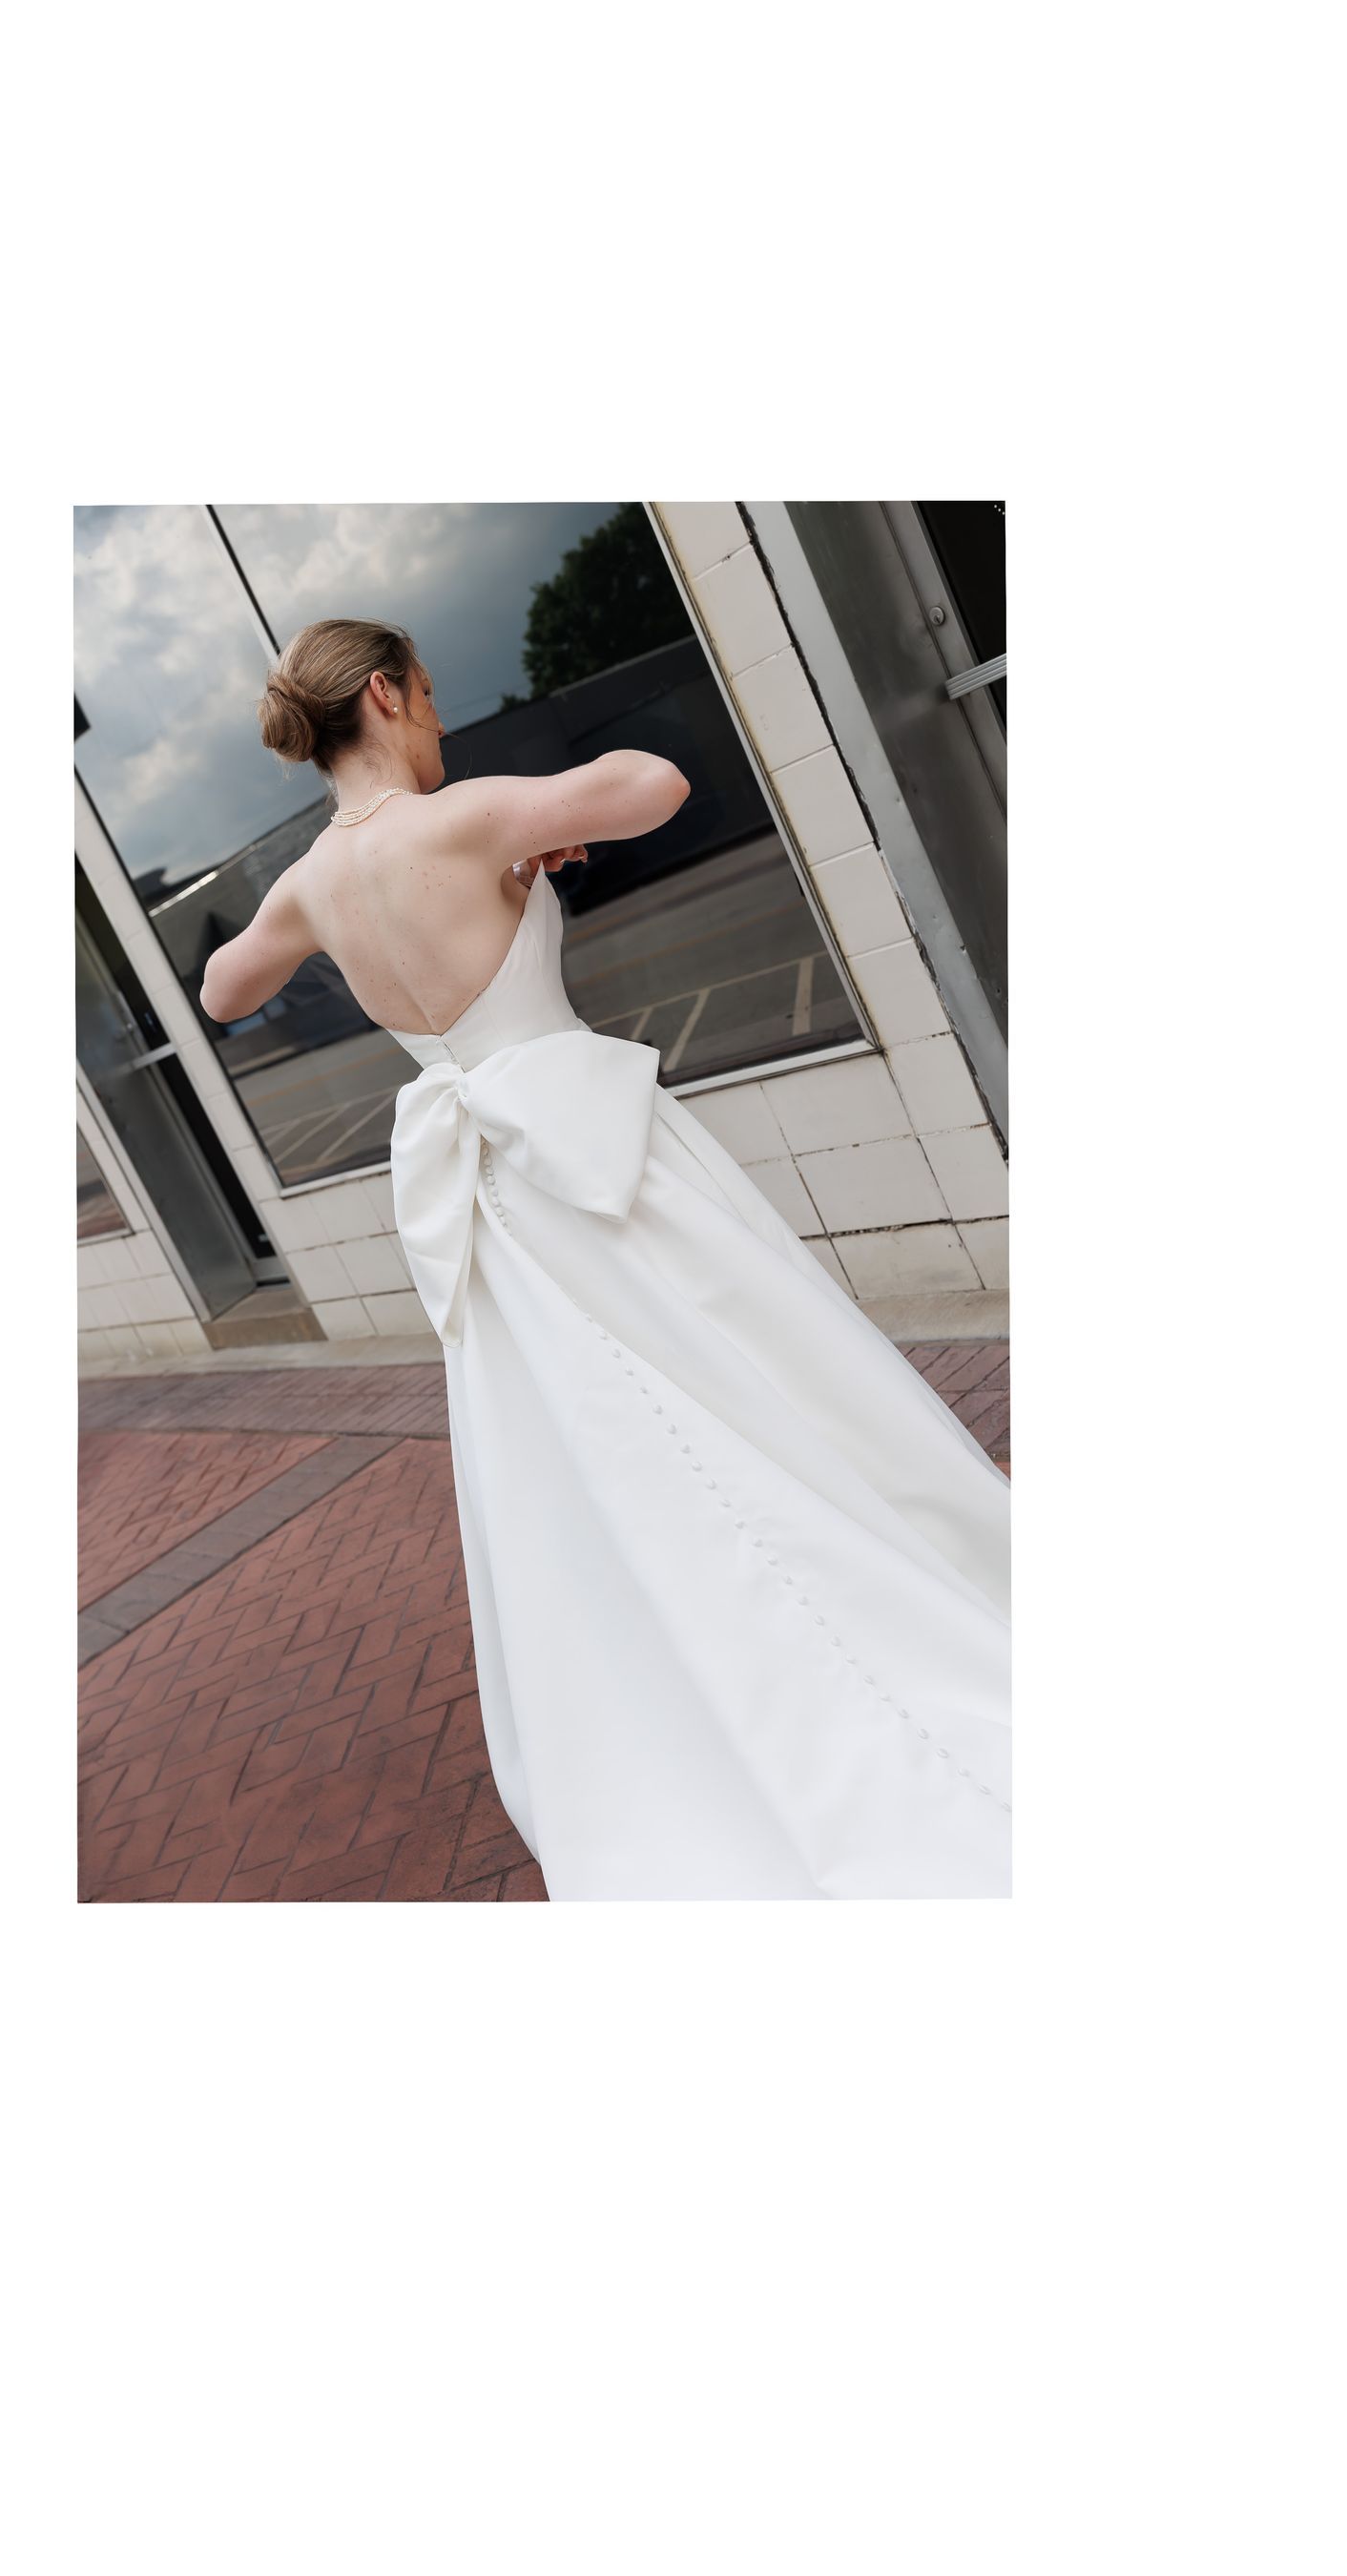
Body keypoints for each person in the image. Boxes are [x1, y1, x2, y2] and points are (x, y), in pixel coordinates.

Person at [201, 618, 1011, 1899]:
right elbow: (657, 781)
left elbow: (223, 994)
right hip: (605, 1172)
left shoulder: (310, 880)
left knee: (593, 1452)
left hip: (494, 1222)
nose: (441, 722)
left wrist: (428, 876)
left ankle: (677, 1713)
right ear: (384, 694)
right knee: (754, 1381)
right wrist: (531, 832)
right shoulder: (457, 817)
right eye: (428, 696)